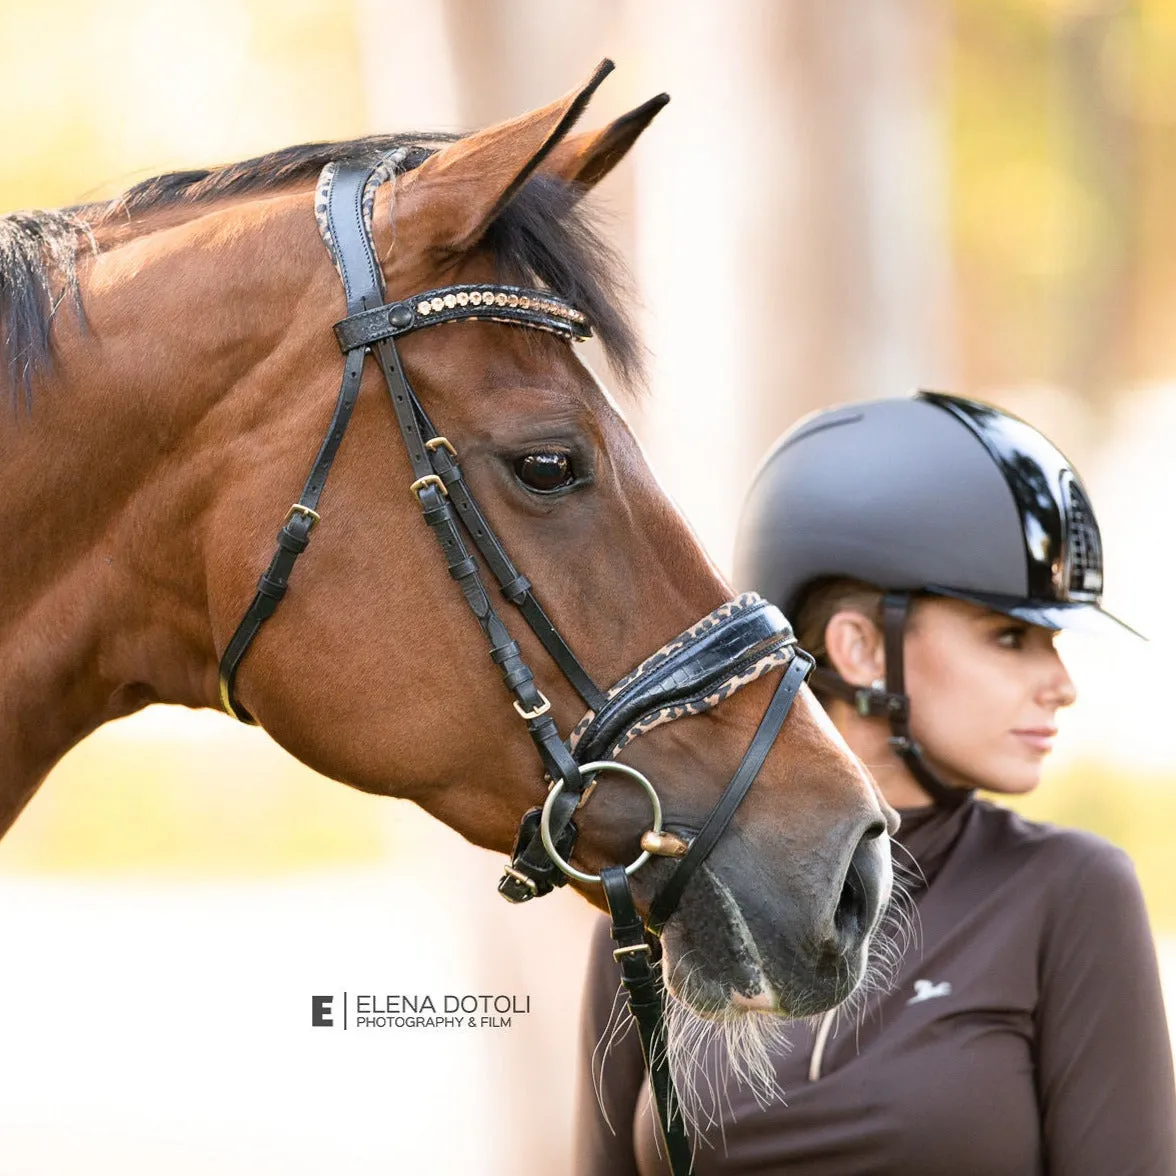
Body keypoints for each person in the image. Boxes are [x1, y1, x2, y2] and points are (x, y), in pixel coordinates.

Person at [572, 390, 1176, 1176]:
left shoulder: (1071, 892)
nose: (1060, 683)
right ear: (860, 650)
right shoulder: (661, 903)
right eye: (1011, 637)